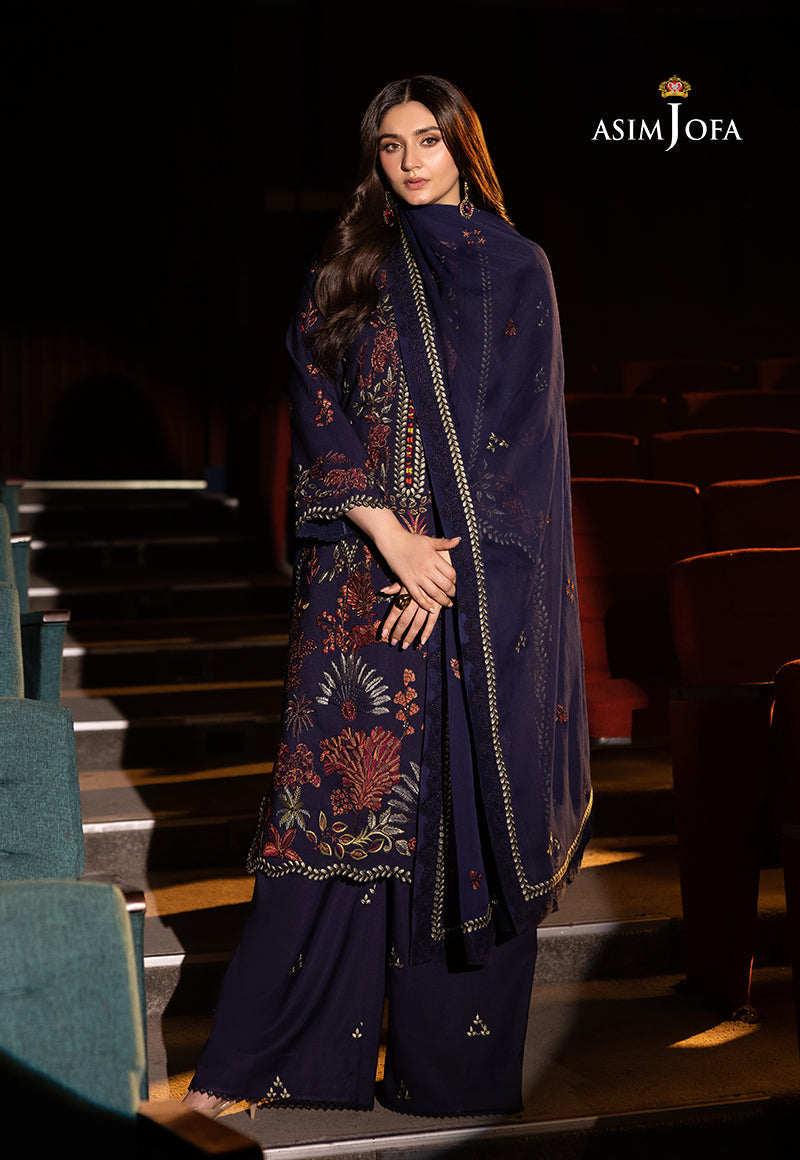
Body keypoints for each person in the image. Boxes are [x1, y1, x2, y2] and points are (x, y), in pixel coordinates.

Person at [183, 74, 592, 1120]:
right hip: (357, 576)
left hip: (462, 589)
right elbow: (314, 401)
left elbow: (521, 448)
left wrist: (443, 574)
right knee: (323, 805)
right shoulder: (350, 264)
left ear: (463, 146)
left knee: (446, 813)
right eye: (390, 145)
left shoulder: (517, 268)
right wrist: (388, 538)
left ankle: (444, 1072)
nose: (410, 161)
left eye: (428, 140)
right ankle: (260, 1060)